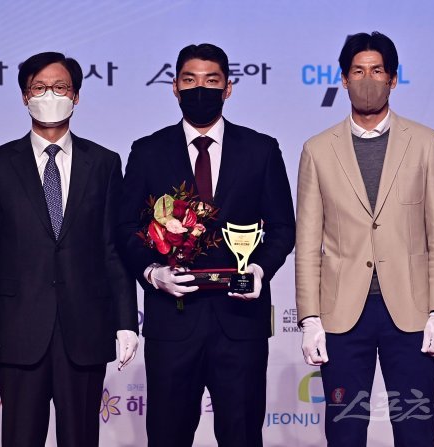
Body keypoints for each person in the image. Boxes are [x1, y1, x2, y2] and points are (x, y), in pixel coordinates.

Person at [117, 43, 295, 447]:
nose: (201, 89)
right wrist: (152, 273)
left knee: (242, 435)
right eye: (190, 80)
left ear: (228, 88)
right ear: (175, 88)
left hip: (240, 323)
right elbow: (127, 227)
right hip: (172, 323)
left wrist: (259, 269)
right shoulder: (148, 151)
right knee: (167, 436)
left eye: (211, 81)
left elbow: (283, 227)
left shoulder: (261, 150)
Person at [0, 51, 139, 447]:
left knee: (81, 438)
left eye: (60, 87)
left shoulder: (104, 163)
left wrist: (126, 320)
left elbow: (113, 249)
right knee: (20, 438)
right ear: (24, 96)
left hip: (86, 328)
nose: (50, 95)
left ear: (75, 96)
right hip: (18, 329)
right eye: (40, 87)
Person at [296, 32, 434, 446]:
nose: (367, 80)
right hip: (342, 316)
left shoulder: (425, 142)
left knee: (415, 427)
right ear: (344, 79)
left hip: (411, 313)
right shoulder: (317, 150)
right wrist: (309, 318)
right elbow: (308, 243)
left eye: (377, 71)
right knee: (345, 430)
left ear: (393, 79)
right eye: (358, 71)